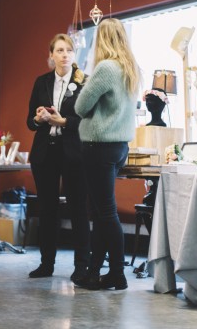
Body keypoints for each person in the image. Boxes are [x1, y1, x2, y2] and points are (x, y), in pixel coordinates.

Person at [74, 18, 139, 290]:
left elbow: (80, 106)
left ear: (102, 39)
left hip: (98, 146)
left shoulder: (105, 68)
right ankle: (94, 272)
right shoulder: (131, 69)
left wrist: (84, 83)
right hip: (119, 147)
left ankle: (117, 273)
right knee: (102, 212)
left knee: (105, 212)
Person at [26, 34, 90, 281]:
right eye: (59, 50)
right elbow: (29, 121)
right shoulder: (41, 82)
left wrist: (63, 121)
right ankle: (46, 264)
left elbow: (87, 121)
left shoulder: (84, 82)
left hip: (74, 151)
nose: (64, 55)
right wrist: (38, 118)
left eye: (69, 51)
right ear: (51, 55)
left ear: (74, 56)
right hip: (45, 151)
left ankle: (81, 265)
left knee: (78, 208)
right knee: (47, 209)